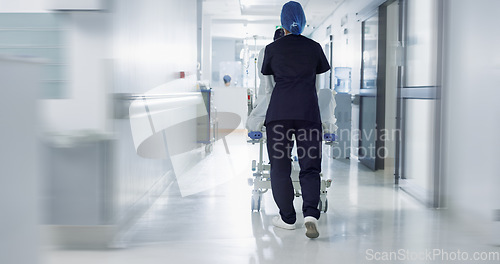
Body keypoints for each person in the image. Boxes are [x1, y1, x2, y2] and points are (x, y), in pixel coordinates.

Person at [261, 1, 330, 239]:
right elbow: (319, 85)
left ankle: (287, 218)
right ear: (303, 21)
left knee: (280, 166)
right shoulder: (314, 47)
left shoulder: (272, 49)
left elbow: (268, 87)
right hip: (308, 114)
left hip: (279, 114)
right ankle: (311, 214)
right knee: (310, 165)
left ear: (282, 22)